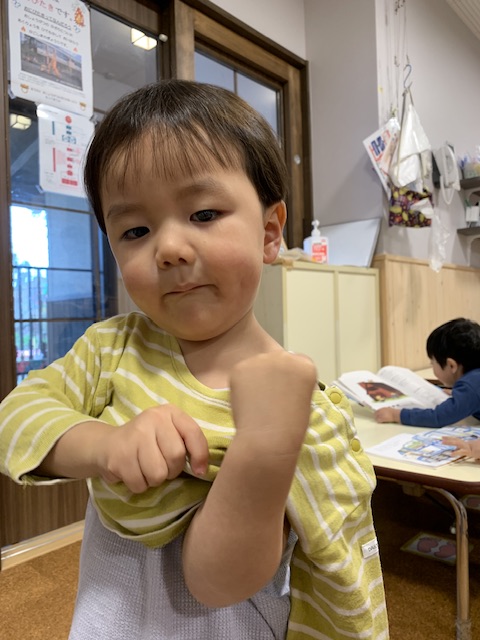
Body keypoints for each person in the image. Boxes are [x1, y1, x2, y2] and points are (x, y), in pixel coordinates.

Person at [0, 80, 388, 640]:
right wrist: (105, 445)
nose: (169, 248)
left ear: (269, 233)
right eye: (135, 230)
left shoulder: (297, 408)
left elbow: (216, 581)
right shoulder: (114, 349)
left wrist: (263, 450)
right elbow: (15, 419)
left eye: (204, 213)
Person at [375, 317, 480, 428]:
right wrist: (461, 395)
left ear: (451, 365)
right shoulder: (474, 382)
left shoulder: (471, 387)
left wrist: (396, 415)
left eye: (432, 363)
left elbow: (438, 417)